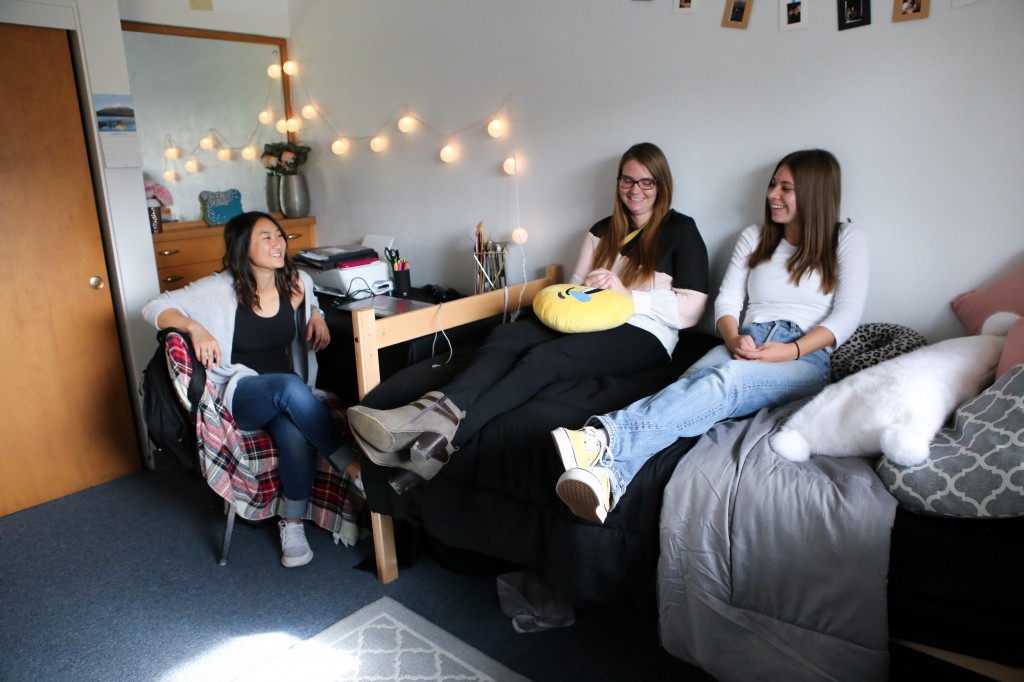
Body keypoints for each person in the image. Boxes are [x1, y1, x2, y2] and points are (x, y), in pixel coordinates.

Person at [347, 142, 710, 483]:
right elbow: (574, 290)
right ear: (618, 183)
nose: (636, 189)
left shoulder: (680, 230)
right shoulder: (602, 232)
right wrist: (585, 294)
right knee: (509, 334)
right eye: (628, 180)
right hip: (591, 320)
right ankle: (430, 411)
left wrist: (629, 295)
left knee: (545, 359)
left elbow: (692, 309)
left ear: (661, 185)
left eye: (647, 182)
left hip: (644, 332)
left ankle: (446, 444)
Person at [551, 149, 869, 524]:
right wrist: (734, 339)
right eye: (772, 185)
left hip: (805, 355)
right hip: (745, 339)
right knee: (690, 386)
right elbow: (728, 301)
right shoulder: (755, 237)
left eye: (786, 188)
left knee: (725, 381)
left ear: (816, 193)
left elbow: (847, 315)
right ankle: (609, 480)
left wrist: (790, 350)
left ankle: (604, 437)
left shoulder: (845, 238)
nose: (772, 195)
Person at [142, 211, 361, 567]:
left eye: (279, 235)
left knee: (292, 433)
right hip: (241, 395)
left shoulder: (296, 281)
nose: (279, 243)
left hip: (287, 393)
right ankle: (353, 468)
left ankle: (291, 524)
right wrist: (193, 328)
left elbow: (311, 295)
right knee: (289, 388)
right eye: (266, 237)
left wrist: (316, 313)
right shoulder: (219, 289)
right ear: (244, 247)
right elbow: (154, 306)